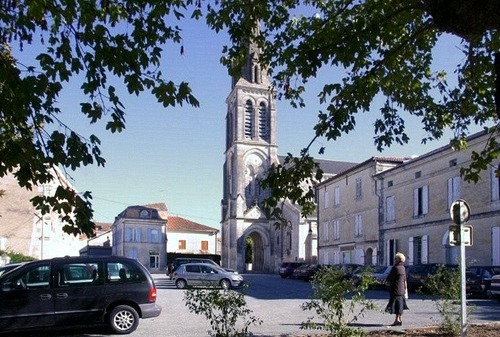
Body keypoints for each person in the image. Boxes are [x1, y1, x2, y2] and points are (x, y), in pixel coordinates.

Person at [385, 252, 408, 326]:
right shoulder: (403, 268)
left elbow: (390, 278)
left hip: (395, 289)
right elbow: (404, 279)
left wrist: (387, 282)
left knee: (396, 305)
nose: (394, 260)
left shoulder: (395, 268)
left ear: (398, 260)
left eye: (395, 259)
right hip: (402, 289)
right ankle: (399, 319)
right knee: (400, 305)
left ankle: (397, 320)